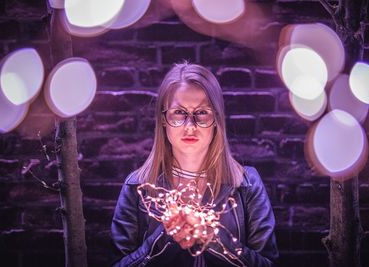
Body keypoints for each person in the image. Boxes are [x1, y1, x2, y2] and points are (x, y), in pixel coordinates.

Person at [111, 62, 279, 266]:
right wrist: (168, 236)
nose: (190, 127)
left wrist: (214, 240)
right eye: (179, 113)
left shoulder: (246, 184)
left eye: (201, 113)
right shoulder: (137, 186)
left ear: (216, 118)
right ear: (163, 119)